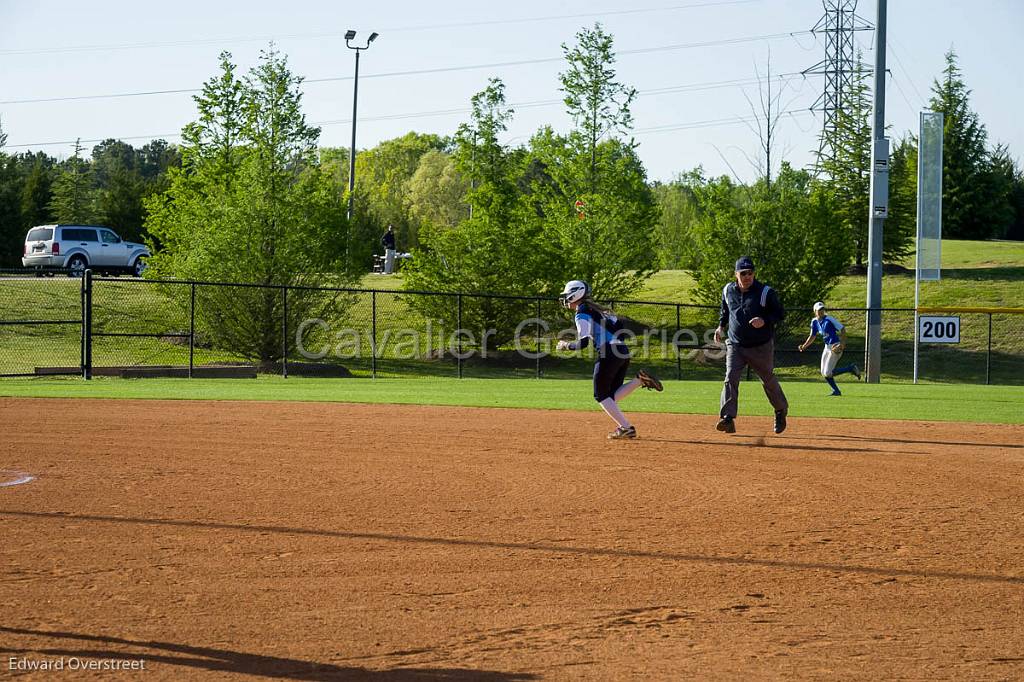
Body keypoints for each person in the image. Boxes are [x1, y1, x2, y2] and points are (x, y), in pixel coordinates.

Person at [556, 280, 664, 439]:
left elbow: (583, 343)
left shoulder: (582, 312)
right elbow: (621, 330)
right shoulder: (599, 310)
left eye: (567, 295)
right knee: (610, 396)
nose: (565, 299)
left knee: (600, 395)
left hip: (610, 353)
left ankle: (626, 428)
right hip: (622, 351)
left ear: (575, 294)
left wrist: (566, 345)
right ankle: (639, 380)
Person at [714, 256, 789, 434]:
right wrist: (720, 326)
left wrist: (764, 320)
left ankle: (780, 410)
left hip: (760, 346)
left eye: (750, 273)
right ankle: (728, 418)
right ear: (736, 274)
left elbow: (780, 314)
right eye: (743, 273)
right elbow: (725, 310)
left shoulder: (765, 292)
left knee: (767, 380)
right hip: (735, 344)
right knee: (730, 378)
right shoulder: (727, 290)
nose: (747, 276)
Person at [798, 301, 861, 396]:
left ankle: (850, 368)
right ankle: (836, 391)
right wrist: (804, 346)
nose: (821, 311)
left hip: (835, 346)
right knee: (824, 372)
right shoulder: (814, 321)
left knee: (827, 372)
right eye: (819, 310)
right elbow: (812, 336)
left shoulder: (829, 319)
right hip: (827, 347)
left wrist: (843, 344)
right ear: (815, 311)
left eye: (822, 309)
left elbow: (842, 329)